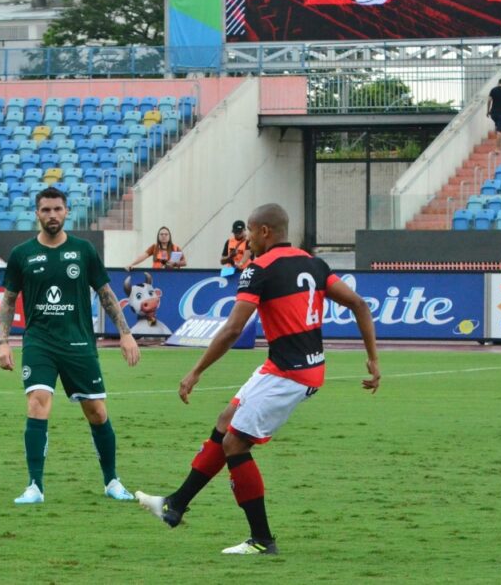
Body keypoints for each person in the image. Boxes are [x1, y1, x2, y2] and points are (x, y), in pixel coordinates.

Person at [135, 203, 381, 555]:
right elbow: (358, 304)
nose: (246, 240)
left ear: (265, 231)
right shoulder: (314, 263)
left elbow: (233, 328)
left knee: (235, 445)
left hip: (289, 374)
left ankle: (262, 540)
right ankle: (175, 505)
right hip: (297, 367)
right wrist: (372, 359)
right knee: (225, 421)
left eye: (249, 232)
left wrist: (196, 371)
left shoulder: (259, 269)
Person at [0, 187, 141, 504]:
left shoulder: (84, 250)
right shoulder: (22, 255)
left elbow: (105, 294)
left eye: (57, 209)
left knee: (97, 412)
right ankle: (35, 486)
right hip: (39, 342)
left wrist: (125, 332)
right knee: (37, 401)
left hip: (78, 342)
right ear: (37, 213)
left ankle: (112, 481)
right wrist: (3, 342)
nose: (52, 215)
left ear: (66, 211)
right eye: (46, 210)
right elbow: (8, 301)